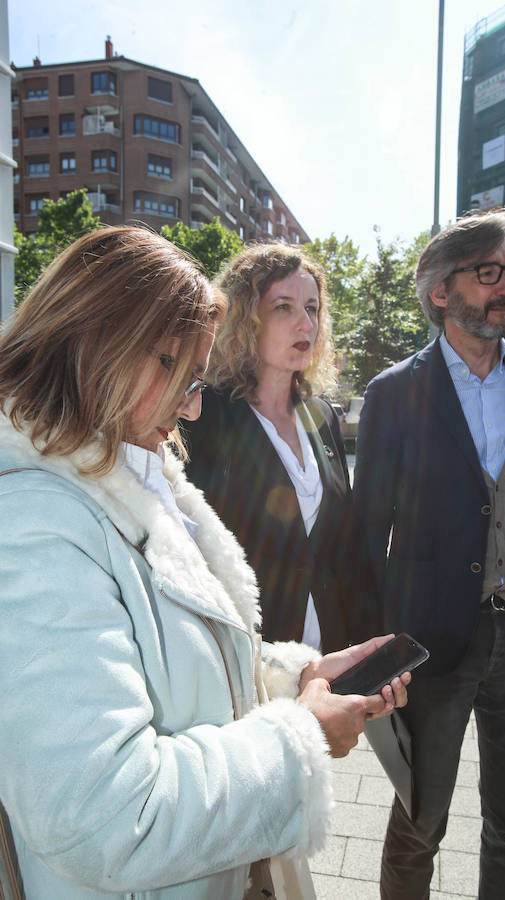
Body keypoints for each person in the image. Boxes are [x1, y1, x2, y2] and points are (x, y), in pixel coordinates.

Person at [0, 226, 410, 900]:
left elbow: (178, 661)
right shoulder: (32, 525)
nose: (192, 405)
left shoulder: (132, 468)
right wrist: (300, 734)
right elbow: (109, 818)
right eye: (181, 376)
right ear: (108, 346)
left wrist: (293, 675)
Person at [353, 209, 505, 900]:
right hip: (432, 638)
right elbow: (368, 527)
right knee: (418, 823)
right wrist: (372, 649)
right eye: (487, 273)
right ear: (441, 292)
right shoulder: (395, 393)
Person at [185, 243, 378, 652]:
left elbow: (346, 547)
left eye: (311, 308)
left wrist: (364, 650)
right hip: (248, 655)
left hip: (329, 654)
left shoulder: (322, 415)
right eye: (283, 308)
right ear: (245, 319)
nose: (304, 324)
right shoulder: (205, 415)